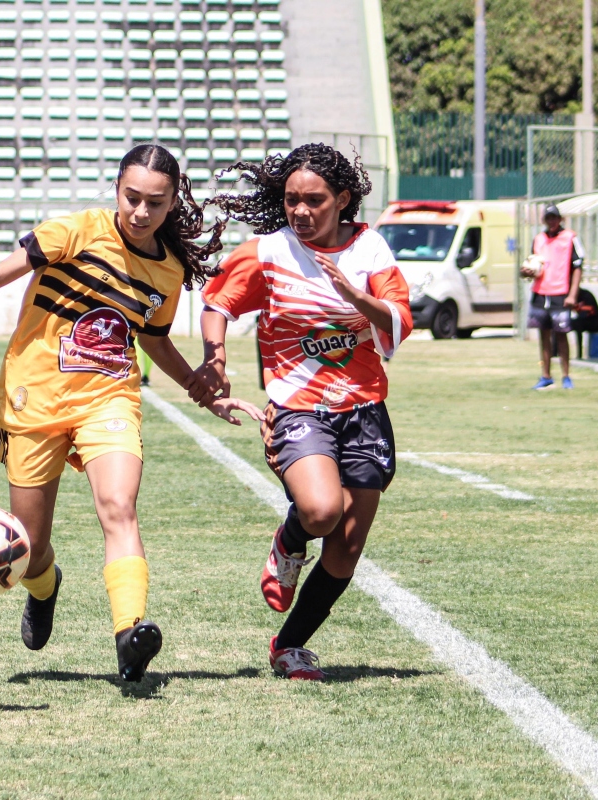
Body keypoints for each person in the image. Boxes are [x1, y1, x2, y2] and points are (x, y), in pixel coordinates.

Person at [0, 144, 261, 683]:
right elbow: (25, 257)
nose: (141, 212)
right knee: (30, 542)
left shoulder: (166, 271)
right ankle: (45, 589)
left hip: (109, 397)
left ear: (171, 205)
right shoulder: (79, 230)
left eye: (155, 203)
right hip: (34, 398)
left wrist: (199, 386)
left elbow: (154, 338)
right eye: (132, 198)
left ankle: (129, 635)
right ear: (117, 190)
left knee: (119, 506)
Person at [193, 144, 412, 680]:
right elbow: (218, 302)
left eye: (314, 200)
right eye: (291, 200)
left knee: (344, 553)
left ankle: (289, 646)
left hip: (364, 410)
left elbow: (401, 319)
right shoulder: (268, 252)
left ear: (342, 199)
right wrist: (215, 355)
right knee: (320, 511)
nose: (301, 211)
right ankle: (289, 543)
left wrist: (357, 298)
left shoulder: (370, 250)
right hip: (298, 409)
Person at [520, 204, 583, 389]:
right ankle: (546, 375)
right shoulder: (538, 239)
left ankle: (566, 376)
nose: (552, 221)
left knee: (561, 335)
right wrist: (526, 272)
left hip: (560, 293)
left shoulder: (570, 237)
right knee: (543, 335)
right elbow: (533, 266)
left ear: (560, 219)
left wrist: (572, 294)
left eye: (554, 218)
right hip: (540, 293)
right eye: (548, 218)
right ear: (544, 220)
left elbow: (578, 266)